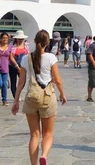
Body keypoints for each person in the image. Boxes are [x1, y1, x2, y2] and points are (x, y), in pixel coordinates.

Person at [12, 30, 67, 165]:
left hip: (31, 97)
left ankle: (33, 163)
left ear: (35, 42)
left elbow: (21, 82)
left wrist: (16, 101)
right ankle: (44, 155)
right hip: (47, 97)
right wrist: (62, 94)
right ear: (47, 43)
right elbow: (58, 80)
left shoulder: (26, 58)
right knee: (48, 133)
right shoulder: (50, 57)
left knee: (34, 135)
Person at [0, 32, 18, 106]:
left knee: (4, 84)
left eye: (6, 38)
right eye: (3, 38)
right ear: (0, 39)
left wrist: (17, 66)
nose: (5, 39)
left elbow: (11, 58)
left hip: (5, 69)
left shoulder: (9, 48)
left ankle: (4, 100)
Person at [10, 30, 29, 99]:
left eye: (22, 39)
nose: (20, 40)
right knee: (13, 81)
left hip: (23, 66)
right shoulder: (12, 46)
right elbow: (11, 57)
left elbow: (27, 55)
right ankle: (16, 96)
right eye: (19, 39)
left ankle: (18, 92)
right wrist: (17, 67)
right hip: (13, 65)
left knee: (23, 81)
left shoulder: (26, 45)